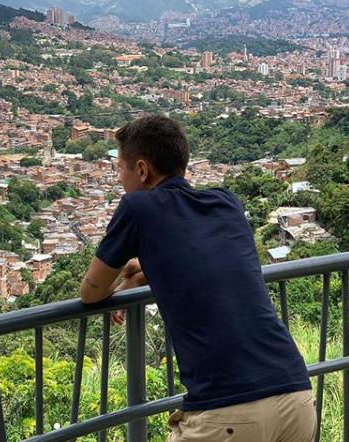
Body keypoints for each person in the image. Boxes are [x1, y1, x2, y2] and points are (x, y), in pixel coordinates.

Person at [79, 115, 316, 442]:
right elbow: (203, 262)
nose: (120, 179)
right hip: (297, 398)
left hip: (229, 412)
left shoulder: (137, 207)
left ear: (143, 170)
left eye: (121, 169)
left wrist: (124, 272)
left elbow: (91, 291)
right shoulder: (227, 202)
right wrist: (140, 273)